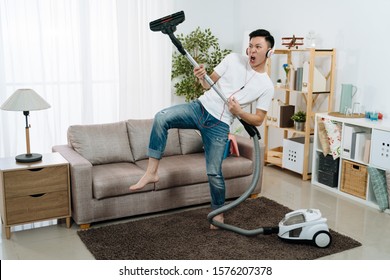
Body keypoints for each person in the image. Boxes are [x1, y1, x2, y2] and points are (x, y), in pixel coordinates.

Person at [130, 29, 275, 229]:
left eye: (258, 47)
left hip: (220, 124)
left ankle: (218, 213)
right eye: (250, 46)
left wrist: (239, 112)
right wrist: (201, 76)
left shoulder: (266, 86)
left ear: (269, 52)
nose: (252, 50)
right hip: (199, 108)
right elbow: (208, 85)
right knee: (162, 117)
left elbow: (258, 119)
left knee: (214, 172)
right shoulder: (233, 59)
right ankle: (152, 172)